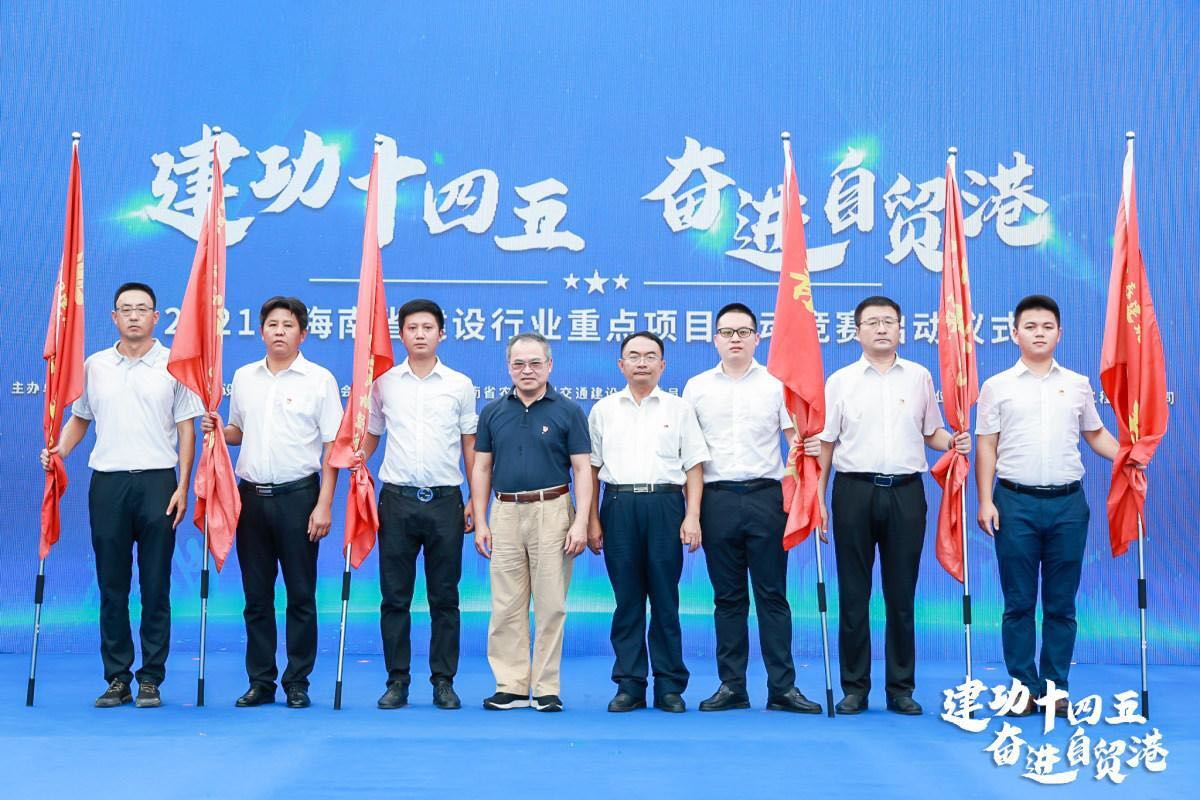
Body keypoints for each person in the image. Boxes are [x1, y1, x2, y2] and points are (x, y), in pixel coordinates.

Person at [40, 282, 203, 708]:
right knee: (112, 586)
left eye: (142, 309)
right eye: (125, 309)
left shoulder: (175, 365)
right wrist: (59, 451)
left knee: (155, 585)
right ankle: (117, 677)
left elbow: (186, 429)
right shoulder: (95, 365)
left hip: (158, 484)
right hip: (109, 484)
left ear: (156, 317)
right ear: (114, 317)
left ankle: (151, 679)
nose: (133, 316)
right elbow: (80, 419)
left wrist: (183, 484)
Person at [807, 296, 969, 716]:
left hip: (905, 493)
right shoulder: (840, 381)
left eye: (889, 322)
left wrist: (952, 442)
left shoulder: (918, 377)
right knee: (853, 595)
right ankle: (855, 688)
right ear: (857, 331)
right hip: (853, 492)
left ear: (901, 329)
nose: (881, 329)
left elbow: (931, 432)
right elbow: (826, 444)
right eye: (872, 322)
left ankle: (900, 688)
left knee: (901, 595)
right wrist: (818, 499)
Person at [975, 294, 1125, 716]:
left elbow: (1095, 434)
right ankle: (1023, 687)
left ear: (1060, 333)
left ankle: (1056, 687)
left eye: (1047, 327)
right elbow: (986, 445)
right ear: (1014, 333)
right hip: (1014, 503)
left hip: (1067, 506)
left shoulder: (1077, 384)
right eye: (1030, 327)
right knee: (1019, 602)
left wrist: (1127, 456)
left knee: (1061, 604)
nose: (1038, 333)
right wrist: (985, 500)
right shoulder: (996, 386)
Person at [203, 296, 342, 709]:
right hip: (251, 499)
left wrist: (324, 504)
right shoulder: (245, 377)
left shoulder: (319, 380)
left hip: (299, 498)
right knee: (256, 598)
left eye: (288, 325)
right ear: (261, 331)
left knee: (300, 595)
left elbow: (333, 447)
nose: (279, 331)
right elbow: (238, 431)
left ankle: (297, 682)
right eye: (272, 324)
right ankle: (261, 681)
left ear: (303, 333)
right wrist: (218, 428)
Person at [683, 303, 822, 714]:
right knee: (728, 599)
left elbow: (795, 440)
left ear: (758, 338)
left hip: (766, 498)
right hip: (717, 498)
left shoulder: (777, 384)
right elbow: (689, 454)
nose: (735, 339)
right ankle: (732, 686)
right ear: (715, 339)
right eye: (727, 332)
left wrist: (810, 454)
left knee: (772, 596)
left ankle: (783, 688)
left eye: (743, 332)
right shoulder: (697, 387)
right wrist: (692, 512)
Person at [359, 299, 477, 710]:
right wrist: (356, 459)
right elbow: (372, 434)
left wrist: (475, 501)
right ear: (401, 334)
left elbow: (470, 445)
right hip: (398, 501)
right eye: (412, 328)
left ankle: (443, 681)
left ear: (441, 333)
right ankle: (397, 681)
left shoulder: (459, 384)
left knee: (445, 597)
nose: (420, 334)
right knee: (395, 597)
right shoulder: (384, 383)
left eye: (428, 327)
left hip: (445, 501)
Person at [471, 331, 592, 712]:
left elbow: (582, 469)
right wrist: (481, 521)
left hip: (552, 510)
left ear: (549, 365)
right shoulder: (492, 412)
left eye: (535, 363)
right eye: (519, 363)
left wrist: (581, 522)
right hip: (504, 511)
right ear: (508, 367)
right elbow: (482, 468)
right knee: (506, 604)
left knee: (551, 603)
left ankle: (546, 687)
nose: (527, 370)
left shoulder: (568, 411)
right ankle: (511, 685)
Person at [588, 331, 709, 713]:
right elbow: (591, 471)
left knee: (665, 600)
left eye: (650, 356)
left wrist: (692, 516)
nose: (642, 362)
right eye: (634, 356)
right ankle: (630, 684)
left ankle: (670, 686)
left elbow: (694, 467)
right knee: (627, 601)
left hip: (665, 505)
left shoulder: (679, 409)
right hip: (619, 505)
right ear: (621, 364)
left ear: (663, 365)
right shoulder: (603, 410)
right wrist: (591, 520)